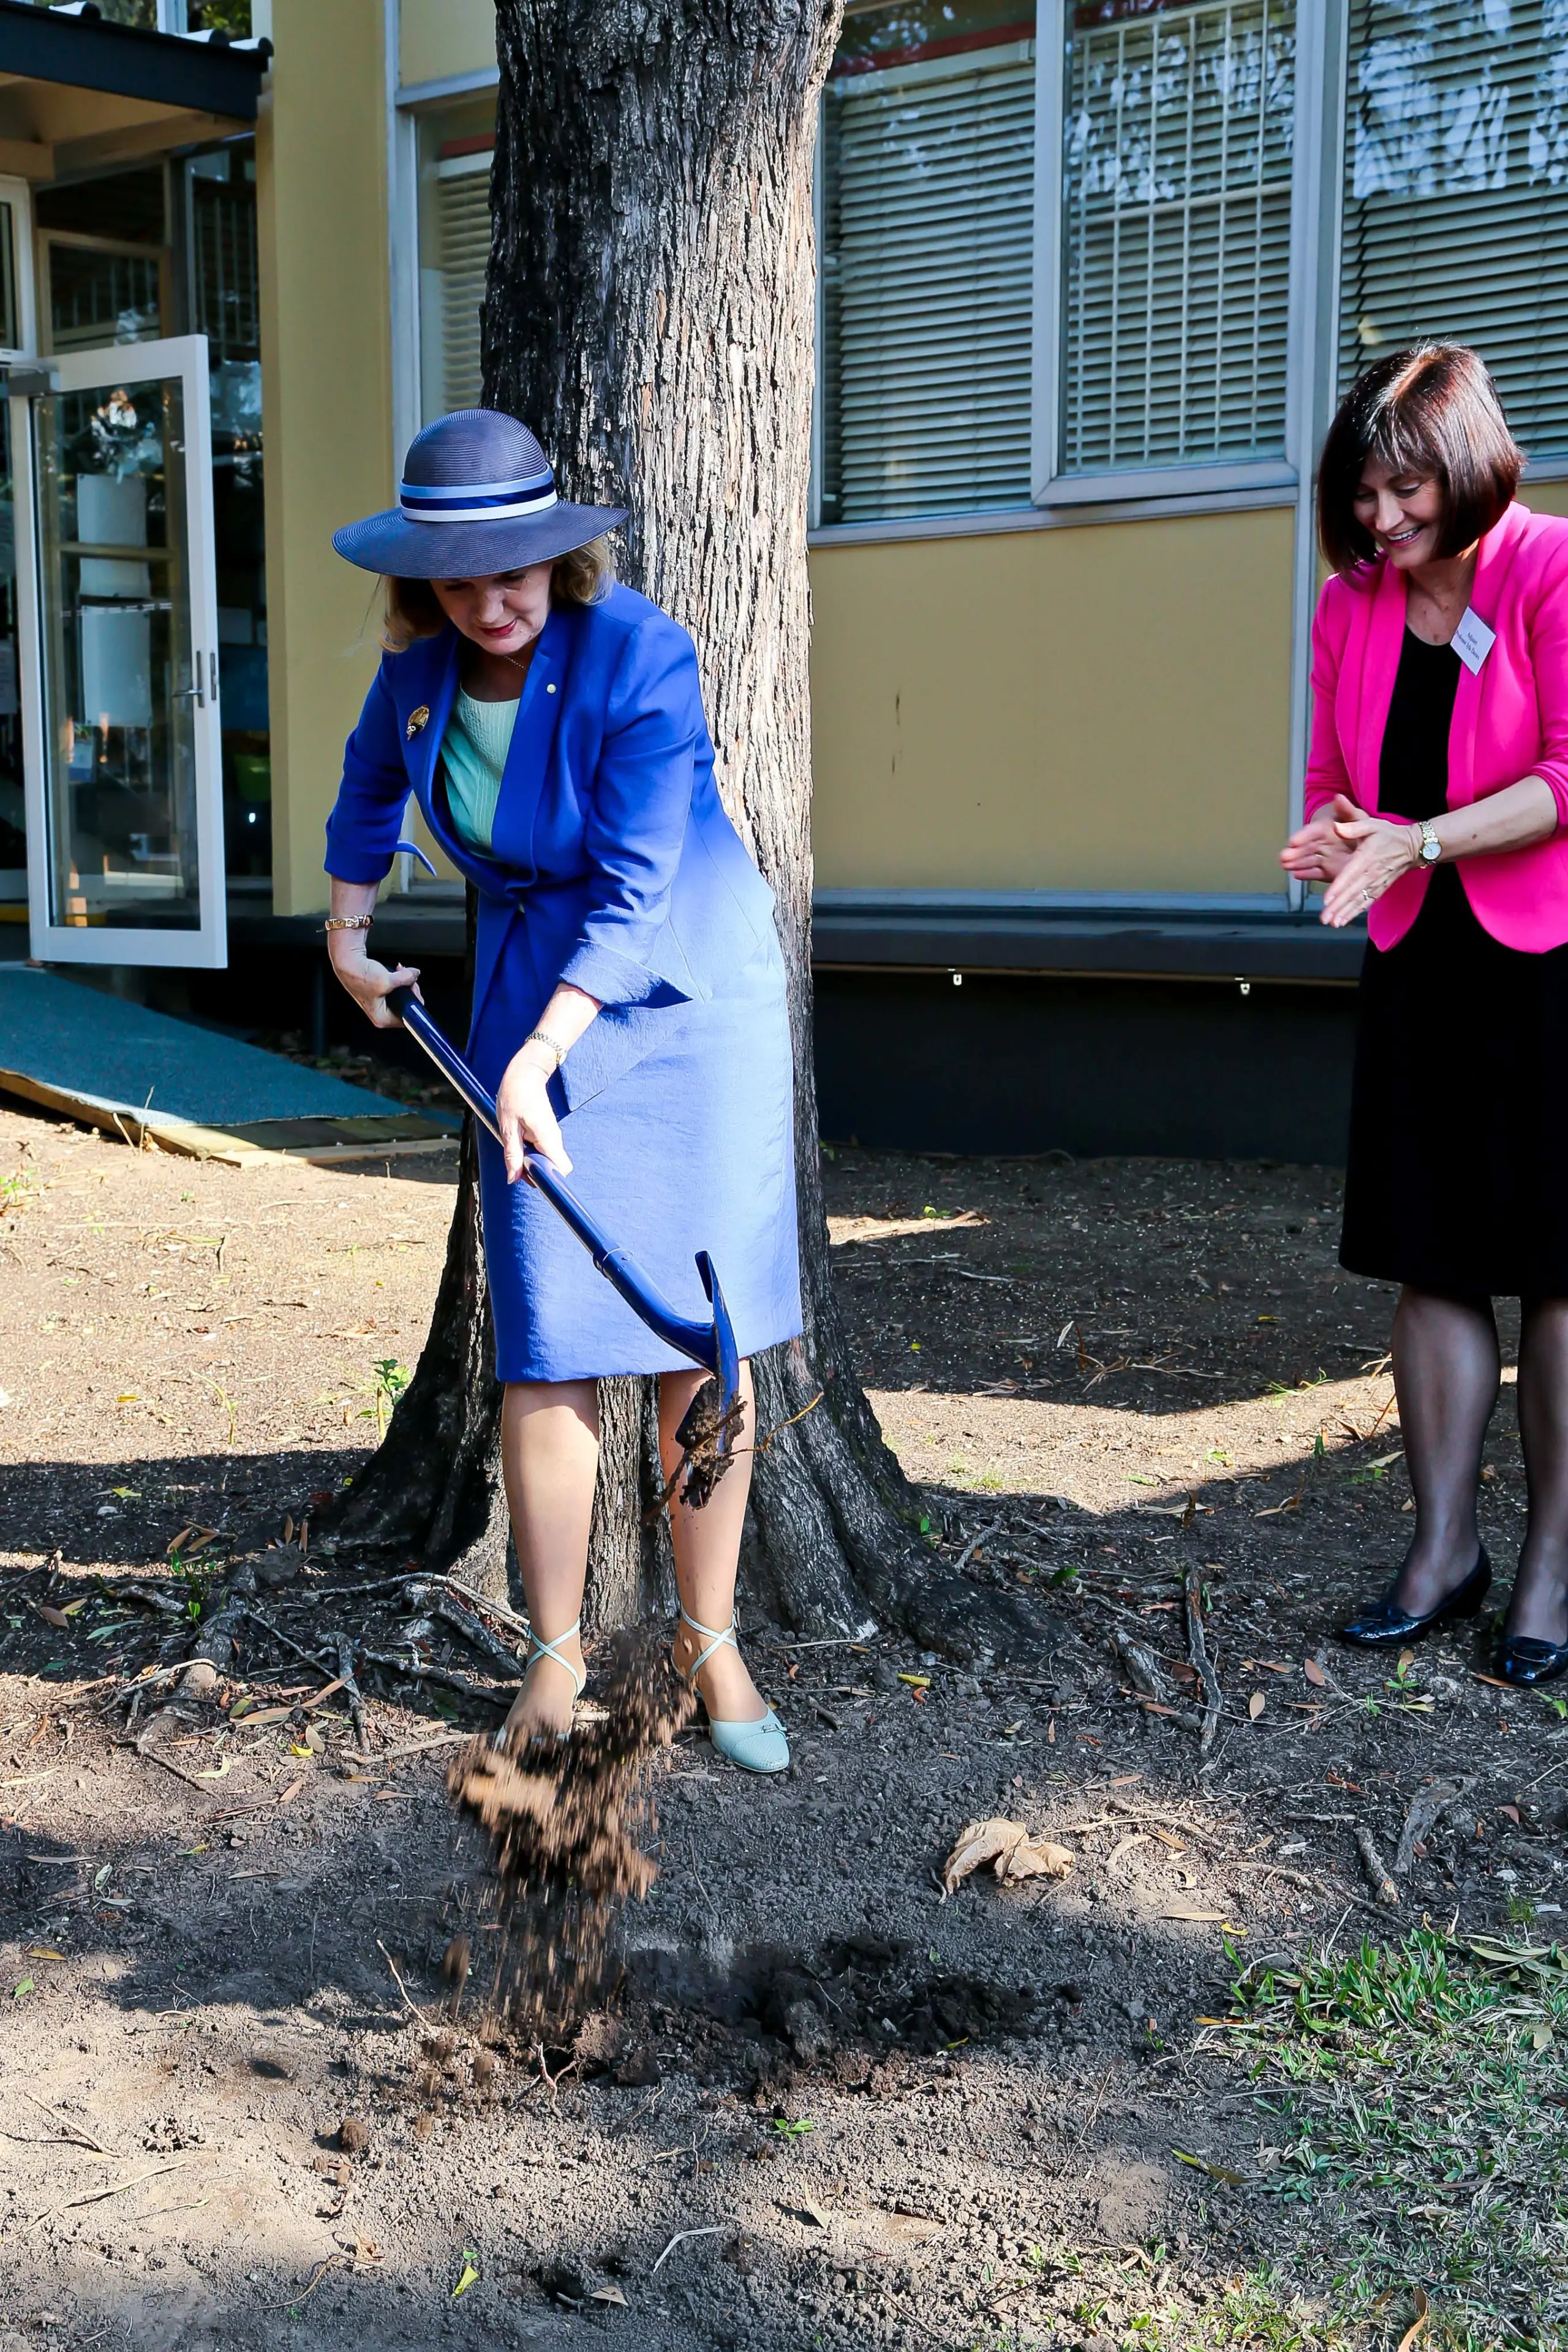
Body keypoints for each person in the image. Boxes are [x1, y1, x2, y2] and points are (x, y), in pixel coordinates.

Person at [320, 407, 800, 1770]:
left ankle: (711, 1640)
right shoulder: (417, 676)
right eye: (462, 578)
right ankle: (555, 1653)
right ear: (421, 580)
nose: (494, 600)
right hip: (534, 993)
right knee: (548, 1344)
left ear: (559, 556)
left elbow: (643, 884)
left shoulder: (641, 654)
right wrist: (348, 932)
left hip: (683, 1010)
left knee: (702, 1340)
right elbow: (367, 790)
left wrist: (531, 1057)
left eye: (516, 569)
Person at [1281, 342, 1568, 1687]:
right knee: (1432, 1252)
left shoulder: (1548, 569)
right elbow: (1338, 776)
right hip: (1415, 953)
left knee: (1557, 1266)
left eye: (1401, 493)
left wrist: (1421, 839)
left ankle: (1548, 1571)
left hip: (1547, 950)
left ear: (1460, 465)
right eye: (1359, 498)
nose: (1379, 523)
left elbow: (1566, 776)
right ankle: (1441, 1552)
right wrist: (1334, 839)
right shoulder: (1352, 603)